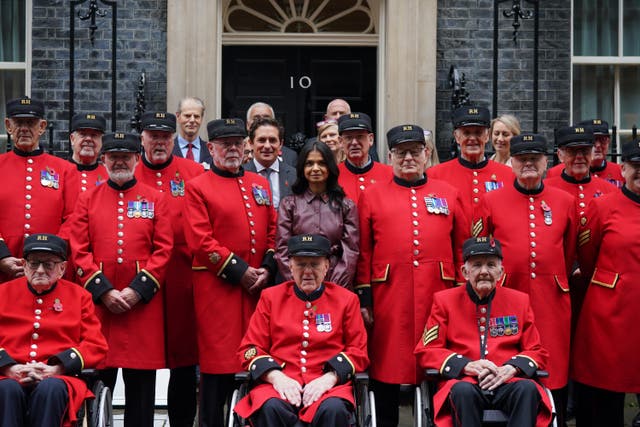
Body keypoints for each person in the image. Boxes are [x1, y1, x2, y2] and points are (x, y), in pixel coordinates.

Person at [356, 124, 469, 427]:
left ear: (426, 154)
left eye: (415, 151)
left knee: (438, 363)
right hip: (390, 294)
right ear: (390, 156)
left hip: (439, 291)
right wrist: (365, 298)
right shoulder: (372, 195)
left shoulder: (448, 194)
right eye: (401, 152)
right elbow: (364, 252)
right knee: (388, 365)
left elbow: (461, 249)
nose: (408, 158)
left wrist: (462, 293)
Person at [68, 132, 173, 427]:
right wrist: (103, 291)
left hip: (141, 308)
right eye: (113, 157)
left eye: (126, 157)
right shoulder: (88, 199)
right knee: (98, 381)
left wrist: (137, 290)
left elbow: (164, 250)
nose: (119, 162)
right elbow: (79, 248)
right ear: (104, 161)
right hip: (100, 307)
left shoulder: (157, 199)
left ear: (137, 160)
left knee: (141, 390)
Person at [473, 133, 577, 425]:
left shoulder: (565, 201)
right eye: (522, 159)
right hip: (508, 294)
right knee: (506, 355)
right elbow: (480, 245)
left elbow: (569, 251)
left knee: (554, 365)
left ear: (546, 162)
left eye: (535, 158)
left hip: (552, 297)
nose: (528, 163)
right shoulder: (491, 200)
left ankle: (553, 414)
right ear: (512, 163)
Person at [183, 118, 278, 427]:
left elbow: (273, 229)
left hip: (256, 292)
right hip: (218, 290)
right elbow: (200, 239)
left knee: (256, 362)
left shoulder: (259, 184)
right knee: (217, 368)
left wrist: (266, 266)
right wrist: (240, 271)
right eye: (225, 145)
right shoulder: (198, 187)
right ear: (211, 148)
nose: (233, 149)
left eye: (238, 143)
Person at [414, 237, 552, 427]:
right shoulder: (444, 301)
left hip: (508, 381)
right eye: (477, 265)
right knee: (462, 391)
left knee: (527, 389)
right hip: (466, 382)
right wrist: (466, 365)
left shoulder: (520, 301)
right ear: (465, 271)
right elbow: (427, 350)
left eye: (491, 265)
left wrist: (512, 368)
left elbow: (536, 350)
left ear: (501, 271)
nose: (484, 271)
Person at [234, 234, 369, 427]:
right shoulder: (271, 298)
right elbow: (250, 348)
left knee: (334, 410)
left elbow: (359, 351)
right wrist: (276, 377)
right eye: (300, 264)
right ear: (290, 266)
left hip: (328, 388)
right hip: (279, 384)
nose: (307, 271)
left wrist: (330, 378)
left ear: (326, 266)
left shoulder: (346, 300)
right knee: (270, 407)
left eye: (314, 264)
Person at [135, 111, 205, 427]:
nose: (159, 142)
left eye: (165, 136)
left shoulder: (193, 173)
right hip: (140, 284)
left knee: (183, 361)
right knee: (141, 360)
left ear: (173, 139)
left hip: (182, 281)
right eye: (153, 136)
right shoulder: (129, 172)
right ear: (143, 139)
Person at [0, 233, 108, 427]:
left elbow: (95, 344)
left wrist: (58, 368)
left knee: (50, 388)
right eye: (33, 264)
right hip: (8, 374)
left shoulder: (79, 297)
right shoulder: (2, 294)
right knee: (6, 389)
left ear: (62, 268)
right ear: (24, 265)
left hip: (59, 377)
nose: (40, 270)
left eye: (48, 264)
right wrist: (9, 368)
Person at [571, 139, 640, 427]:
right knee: (604, 394)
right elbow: (587, 258)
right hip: (610, 314)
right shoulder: (602, 206)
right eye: (636, 167)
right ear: (622, 169)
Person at [0, 96, 78, 281]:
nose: (24, 128)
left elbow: (73, 218)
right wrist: (2, 256)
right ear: (8, 126)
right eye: (18, 122)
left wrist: (51, 255)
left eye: (31, 123)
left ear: (42, 127)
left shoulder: (65, 170)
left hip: (49, 270)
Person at [276, 141, 359, 288]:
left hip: (337, 283)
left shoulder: (346, 205)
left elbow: (350, 251)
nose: (315, 169)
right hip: (298, 284)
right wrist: (300, 283)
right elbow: (282, 250)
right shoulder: (289, 204)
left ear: (330, 167)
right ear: (302, 168)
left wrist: (332, 287)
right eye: (309, 164)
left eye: (321, 163)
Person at [428, 105, 513, 219]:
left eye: (478, 132)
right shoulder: (435, 175)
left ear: (487, 136)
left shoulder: (509, 175)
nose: (472, 138)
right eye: (466, 133)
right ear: (457, 137)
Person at [546, 119, 624, 187]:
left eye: (602, 139)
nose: (598, 145)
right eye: (594, 140)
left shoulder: (620, 172)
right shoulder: (555, 172)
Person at [337, 112, 392, 206]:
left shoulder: (389, 174)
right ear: (341, 142)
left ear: (370, 139)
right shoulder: (333, 174)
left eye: (360, 136)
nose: (354, 142)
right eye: (348, 137)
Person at [244, 117, 297, 209]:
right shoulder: (241, 175)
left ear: (281, 144)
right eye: (261, 140)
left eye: (272, 140)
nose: (267, 146)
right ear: (251, 143)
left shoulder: (294, 175)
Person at [246, 102, 298, 167]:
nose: (262, 122)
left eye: (266, 119)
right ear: (247, 125)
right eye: (256, 119)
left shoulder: (290, 156)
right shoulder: (237, 152)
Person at [68, 112, 108, 192]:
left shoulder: (109, 177)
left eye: (94, 135)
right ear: (72, 139)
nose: (89, 139)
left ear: (102, 141)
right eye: (83, 134)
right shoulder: (60, 171)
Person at [173, 96, 212, 167]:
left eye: (196, 116)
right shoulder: (168, 150)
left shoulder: (212, 151)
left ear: (202, 118)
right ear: (178, 116)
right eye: (187, 116)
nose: (192, 120)